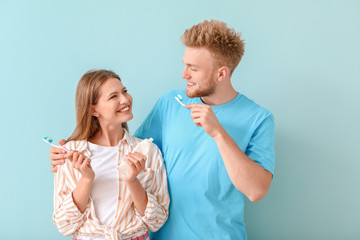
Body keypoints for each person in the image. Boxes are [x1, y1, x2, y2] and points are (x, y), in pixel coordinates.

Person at [50, 20, 275, 240]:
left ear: (221, 73)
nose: (184, 74)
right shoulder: (170, 103)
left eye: (193, 68)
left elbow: (256, 191)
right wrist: (67, 153)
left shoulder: (258, 118)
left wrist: (218, 132)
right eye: (185, 64)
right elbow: (123, 149)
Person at [52, 70, 169, 240]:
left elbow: (156, 221)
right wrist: (86, 178)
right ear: (93, 110)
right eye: (113, 96)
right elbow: (64, 225)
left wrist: (132, 180)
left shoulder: (148, 151)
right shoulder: (71, 154)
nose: (125, 100)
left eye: (124, 91)